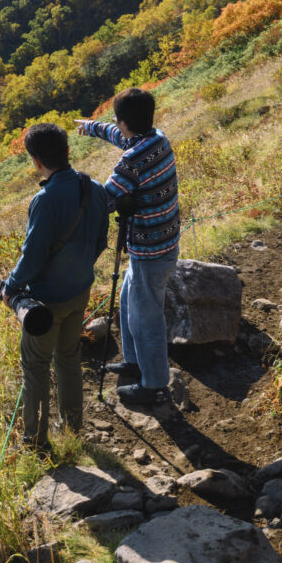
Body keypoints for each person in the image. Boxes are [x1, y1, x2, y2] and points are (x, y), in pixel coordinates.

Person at [0, 122, 110, 451]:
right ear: (67, 151)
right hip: (79, 292)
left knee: (35, 367)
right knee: (69, 358)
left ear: (36, 161)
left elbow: (31, 258)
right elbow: (101, 241)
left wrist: (10, 286)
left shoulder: (44, 200)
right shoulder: (95, 189)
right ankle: (72, 428)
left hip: (45, 304)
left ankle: (35, 441)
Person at [77, 87, 179, 406]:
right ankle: (136, 364)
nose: (116, 127)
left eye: (116, 122)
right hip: (156, 241)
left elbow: (104, 201)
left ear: (124, 122)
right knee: (127, 301)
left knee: (145, 318)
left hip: (152, 249)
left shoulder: (131, 161)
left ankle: (155, 385)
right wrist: (90, 126)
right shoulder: (155, 139)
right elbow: (118, 135)